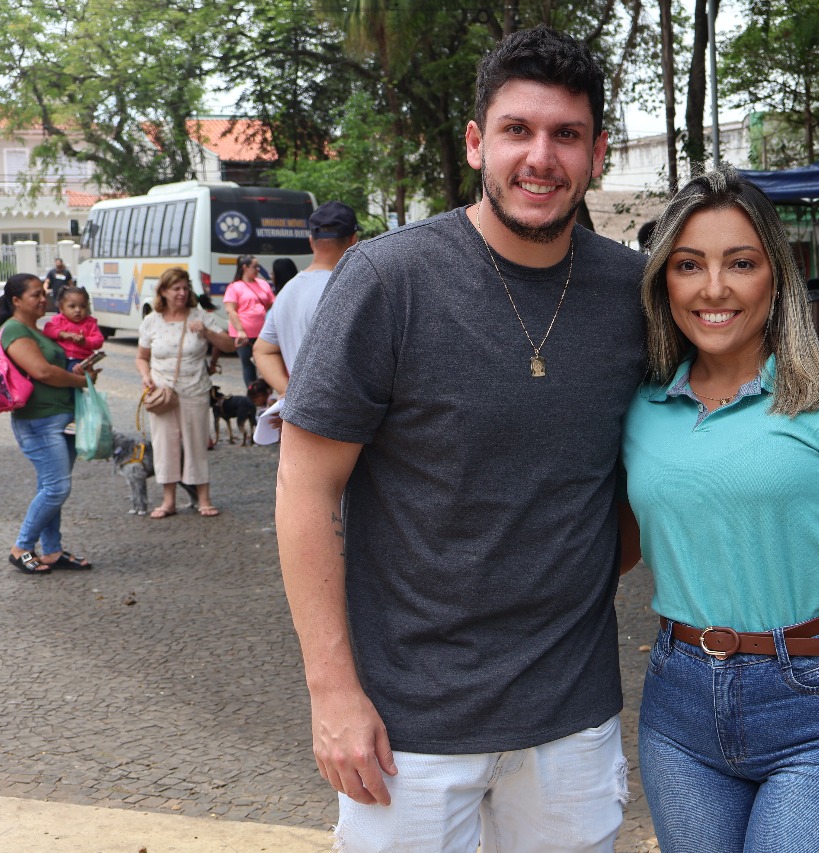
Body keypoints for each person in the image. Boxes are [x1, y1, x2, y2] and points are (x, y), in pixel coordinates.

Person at [274, 26, 645, 853]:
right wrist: (332, 691)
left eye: (566, 135)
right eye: (518, 129)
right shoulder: (388, 280)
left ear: (597, 153)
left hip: (571, 719)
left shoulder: (633, 292)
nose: (540, 156)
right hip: (407, 724)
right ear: (479, 141)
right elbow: (305, 485)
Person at [624, 168, 819, 853]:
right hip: (679, 707)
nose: (714, 288)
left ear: (777, 277)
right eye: (688, 265)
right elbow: (608, 543)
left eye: (741, 263)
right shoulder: (640, 407)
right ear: (663, 281)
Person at [0, 273, 98, 574]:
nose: (44, 299)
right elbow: (42, 372)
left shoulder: (35, 329)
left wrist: (79, 371)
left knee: (51, 486)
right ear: (16, 301)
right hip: (38, 421)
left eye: (44, 293)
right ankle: (22, 547)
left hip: (60, 418)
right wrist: (79, 379)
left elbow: (52, 369)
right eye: (35, 295)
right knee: (56, 487)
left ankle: (52, 551)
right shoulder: (13, 330)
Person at [135, 268, 236, 519]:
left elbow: (228, 344)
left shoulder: (201, 316)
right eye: (176, 288)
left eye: (185, 288)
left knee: (196, 444)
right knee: (164, 445)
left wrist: (206, 332)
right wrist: (145, 375)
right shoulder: (151, 321)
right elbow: (141, 357)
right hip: (162, 392)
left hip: (194, 389)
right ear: (163, 292)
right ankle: (168, 500)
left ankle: (204, 498)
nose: (181, 293)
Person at [254, 201, 360, 396]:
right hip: (343, 416)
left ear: (311, 241)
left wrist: (289, 394)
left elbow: (262, 350)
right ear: (354, 240)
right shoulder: (350, 289)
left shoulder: (288, 291)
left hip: (302, 419)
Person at [223, 254, 275, 389]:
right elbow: (231, 310)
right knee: (248, 365)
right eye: (255, 266)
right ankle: (252, 393)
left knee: (267, 364)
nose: (258, 269)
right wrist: (240, 330)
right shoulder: (235, 287)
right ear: (245, 267)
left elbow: (271, 303)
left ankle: (266, 394)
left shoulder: (263, 284)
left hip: (263, 332)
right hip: (245, 334)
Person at [43, 286, 104, 372]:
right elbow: (48, 330)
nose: (78, 310)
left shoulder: (90, 323)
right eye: (72, 306)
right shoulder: (58, 320)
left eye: (83, 306)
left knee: (72, 374)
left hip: (80, 360)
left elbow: (98, 340)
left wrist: (85, 341)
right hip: (59, 357)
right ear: (61, 308)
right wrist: (63, 334)